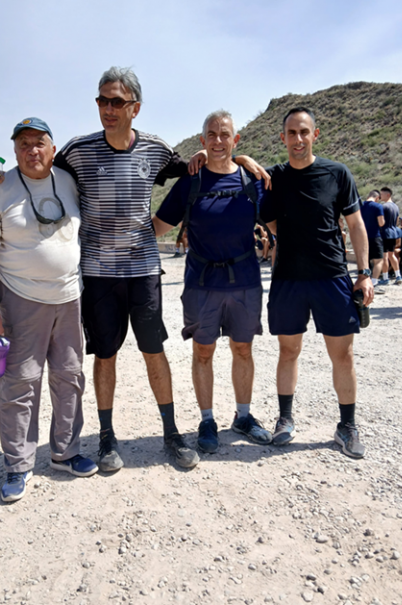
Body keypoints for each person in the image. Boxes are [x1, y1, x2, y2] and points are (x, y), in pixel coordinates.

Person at [0, 66, 268, 472]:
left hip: (144, 270)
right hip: (97, 274)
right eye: (101, 100)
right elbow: (36, 165)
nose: (107, 108)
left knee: (155, 352)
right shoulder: (78, 150)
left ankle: (171, 433)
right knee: (106, 356)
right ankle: (108, 439)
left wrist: (240, 156)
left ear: (135, 107)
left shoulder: (155, 149)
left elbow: (206, 163)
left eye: (116, 101)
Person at [0, 117, 96, 502]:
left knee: (69, 375)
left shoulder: (69, 181)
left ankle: (65, 452)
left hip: (69, 297)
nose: (32, 150)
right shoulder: (0, 187)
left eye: (39, 142)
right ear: (14, 151)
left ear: (52, 148)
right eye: (23, 144)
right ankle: (18, 464)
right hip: (20, 298)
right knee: (21, 383)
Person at [152, 109, 274, 454]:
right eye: (211, 135)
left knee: (243, 349)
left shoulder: (251, 181)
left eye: (225, 135)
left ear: (235, 140)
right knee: (203, 352)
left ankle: (244, 417)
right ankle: (207, 420)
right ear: (202, 140)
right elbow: (158, 226)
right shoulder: (190, 182)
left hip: (246, 281)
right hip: (202, 283)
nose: (218, 141)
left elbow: (280, 222)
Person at [260, 107, 374, 459]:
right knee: (288, 352)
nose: (298, 139)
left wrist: (365, 273)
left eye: (304, 132)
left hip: (332, 278)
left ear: (315, 134)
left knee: (342, 355)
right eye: (291, 133)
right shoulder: (274, 178)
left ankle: (347, 426)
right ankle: (284, 419)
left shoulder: (337, 174)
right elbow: (269, 219)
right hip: (289, 280)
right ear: (283, 137)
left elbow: (356, 225)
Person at [359, 189, 387, 285]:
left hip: (361, 236)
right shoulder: (378, 206)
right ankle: (374, 282)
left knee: (365, 261)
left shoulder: (360, 205)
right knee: (378, 261)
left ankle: (364, 281)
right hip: (374, 236)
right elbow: (381, 223)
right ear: (377, 198)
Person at [379, 187, 402, 285]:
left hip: (385, 233)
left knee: (384, 257)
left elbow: (380, 221)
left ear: (388, 195)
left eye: (381, 194)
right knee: (392, 255)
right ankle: (398, 275)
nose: (380, 196)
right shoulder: (396, 207)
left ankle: (385, 278)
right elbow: (397, 221)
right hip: (393, 232)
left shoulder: (383, 206)